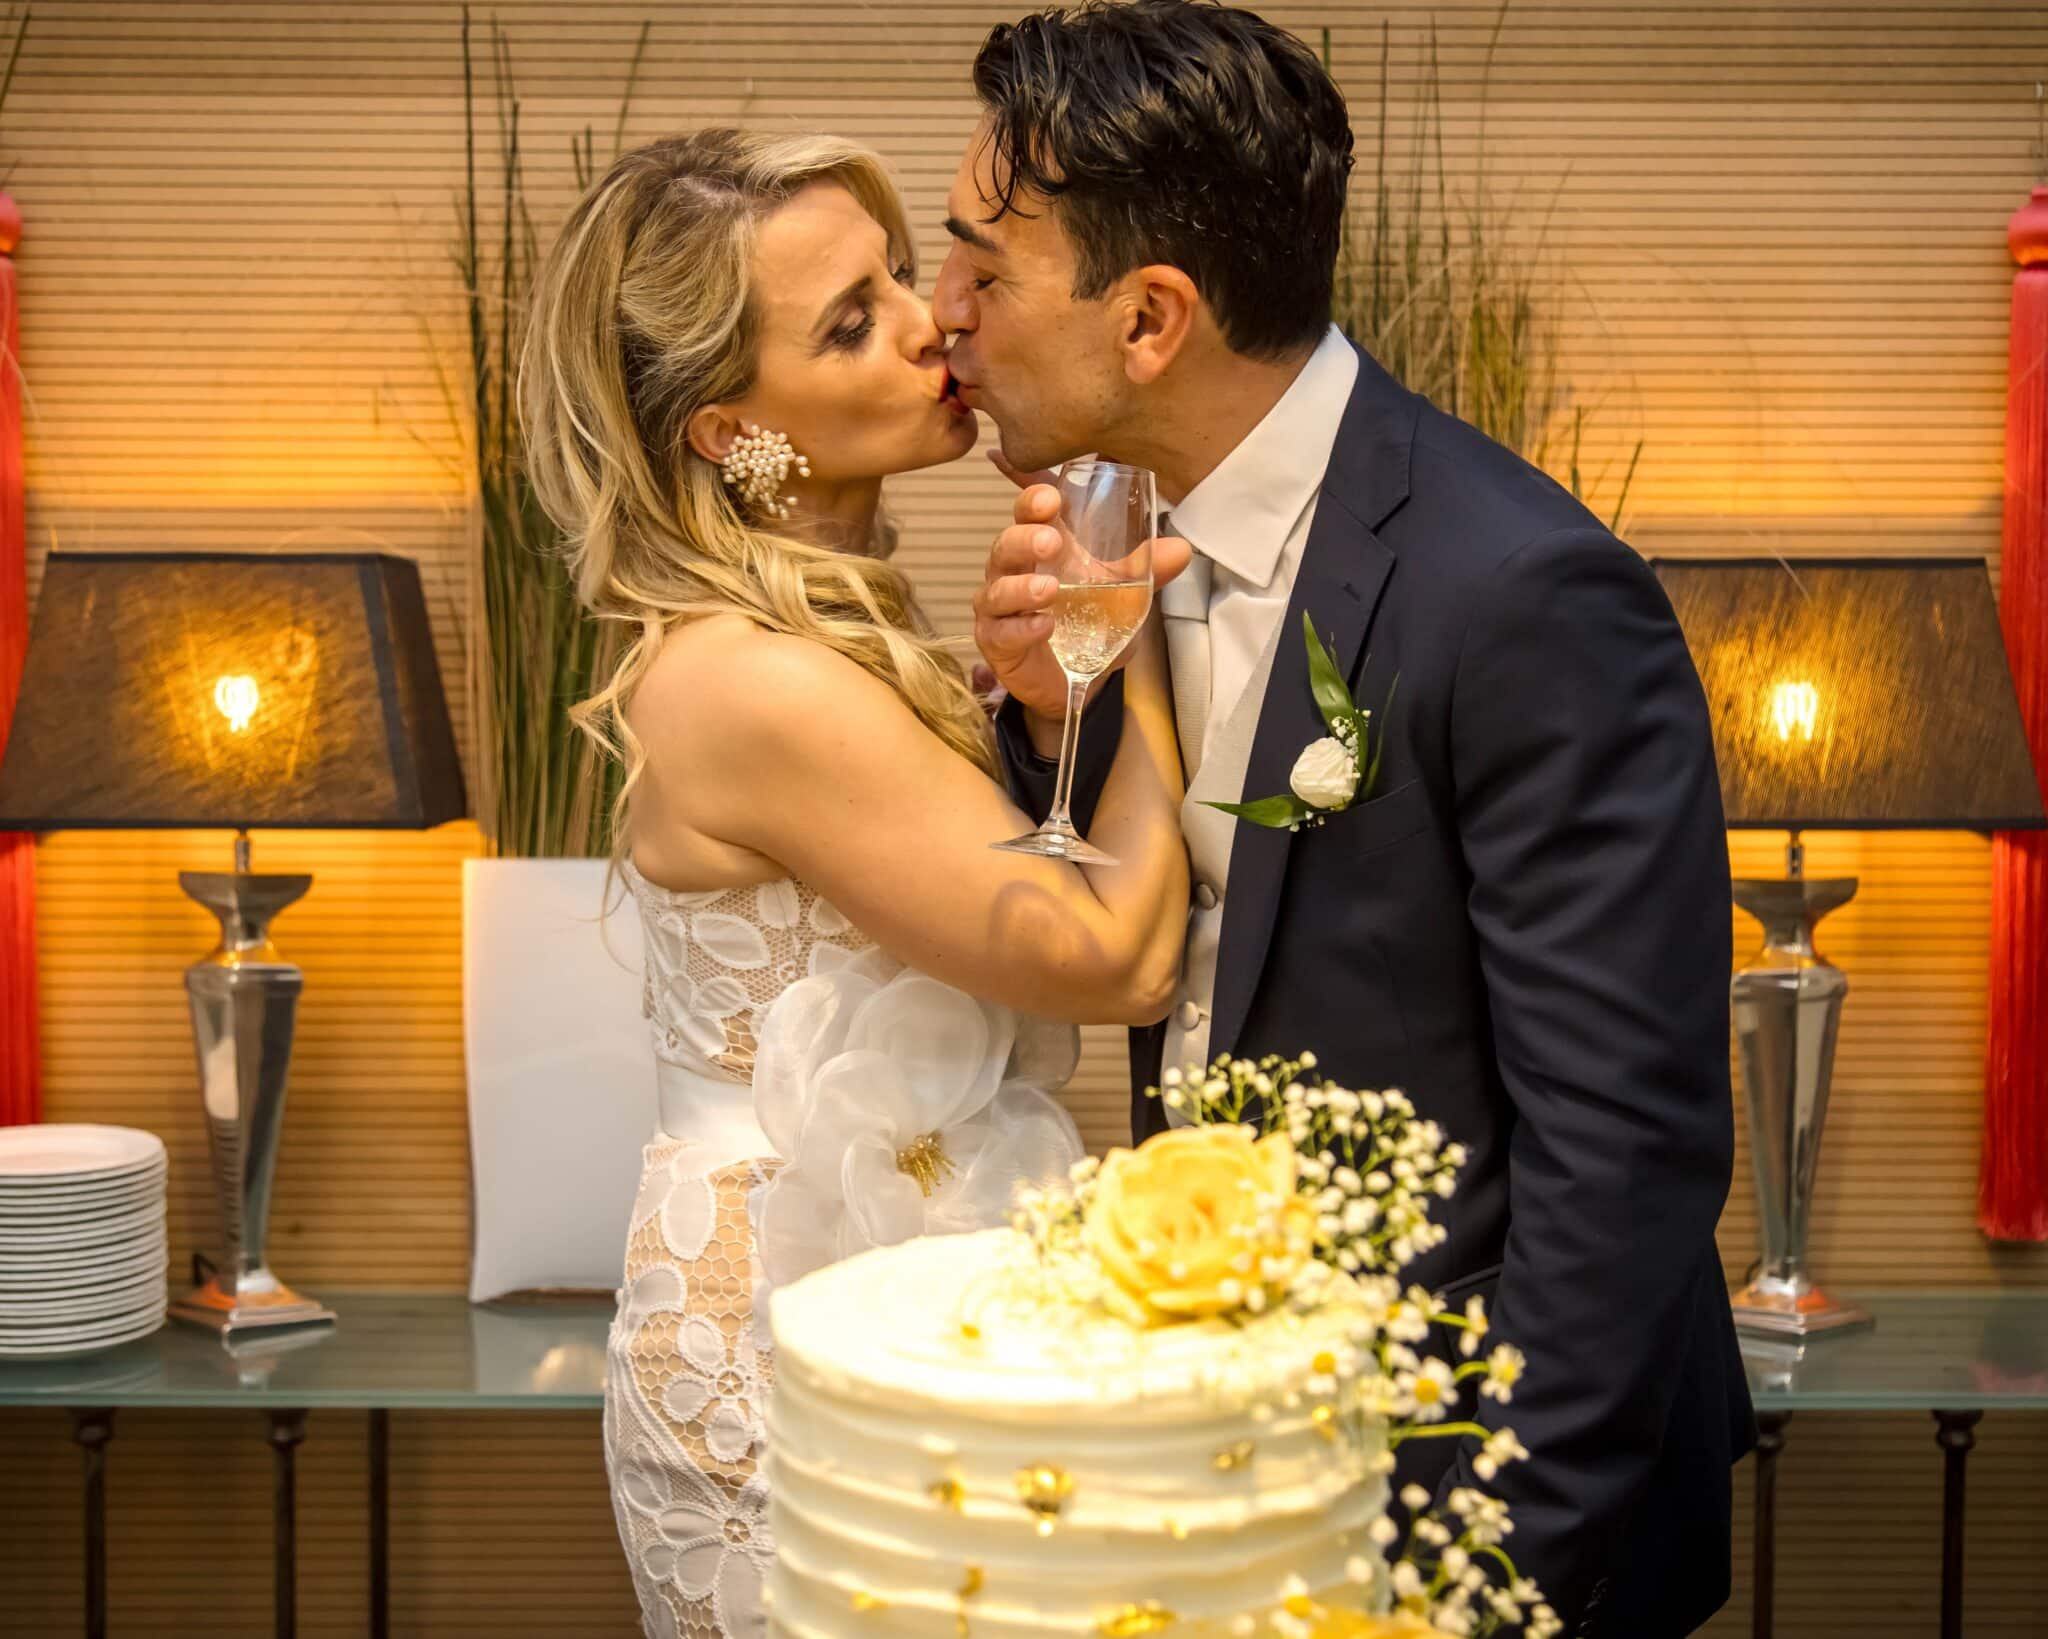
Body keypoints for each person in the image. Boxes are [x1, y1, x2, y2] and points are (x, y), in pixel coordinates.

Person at [951, 4, 1754, 1634]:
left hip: (1475, 1469)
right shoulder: (1121, 529)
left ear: (1151, 318)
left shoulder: (1523, 590)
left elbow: (1626, 1146)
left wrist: (1487, 1565)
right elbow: (1179, 932)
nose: (943, 313)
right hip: (1231, 1441)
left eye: (984, 267)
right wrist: (1046, 724)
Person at [518, 128, 1189, 1638]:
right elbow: (1119, 961)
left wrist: (1044, 712)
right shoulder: (754, 680)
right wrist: (1134, 646)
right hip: (780, 1347)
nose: (926, 321)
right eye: (846, 322)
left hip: (885, 1286)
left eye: (898, 272)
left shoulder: (817, 643)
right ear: (727, 429)